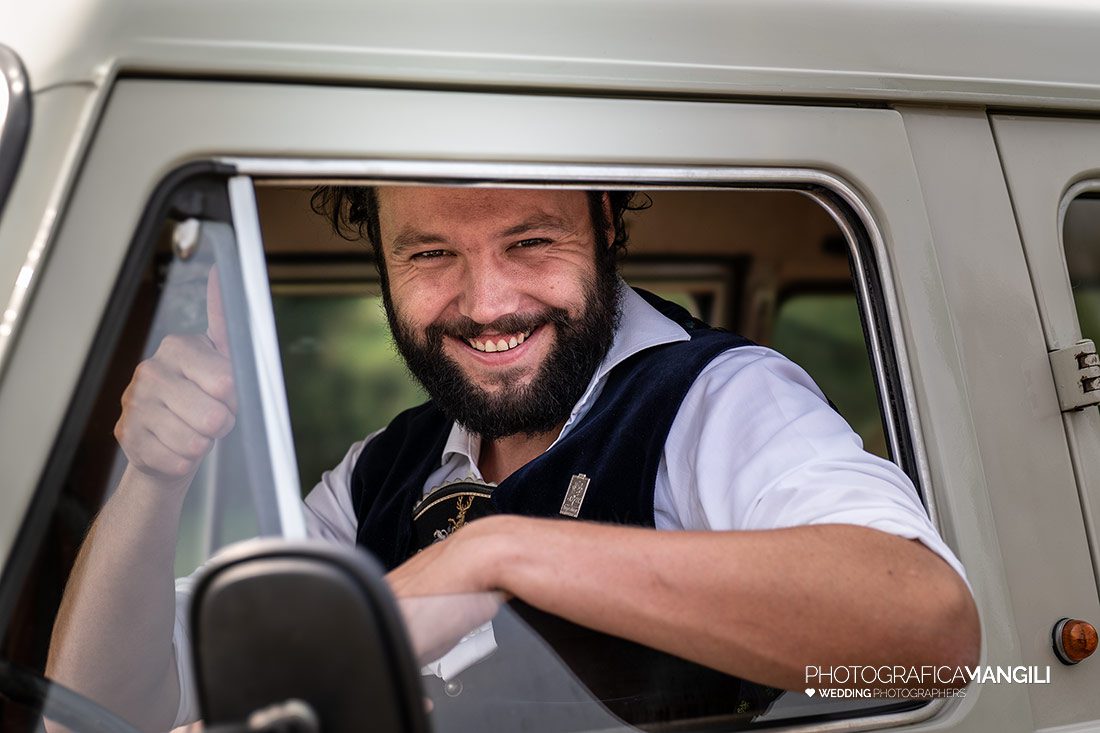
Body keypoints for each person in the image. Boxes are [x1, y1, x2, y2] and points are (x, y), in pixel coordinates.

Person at [47, 186, 980, 731]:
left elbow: (930, 632)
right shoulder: (383, 468)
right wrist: (154, 474)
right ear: (381, 261)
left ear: (609, 224)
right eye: (430, 255)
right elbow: (103, 706)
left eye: (530, 241)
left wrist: (493, 555)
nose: (486, 302)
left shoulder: (720, 396)